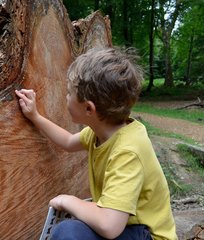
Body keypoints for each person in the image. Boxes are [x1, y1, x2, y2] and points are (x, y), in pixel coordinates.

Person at [15, 47, 177, 240]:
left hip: (147, 235)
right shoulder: (102, 132)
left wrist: (69, 201)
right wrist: (35, 116)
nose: (66, 97)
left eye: (69, 93)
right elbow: (67, 141)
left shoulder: (128, 150)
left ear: (89, 108)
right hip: (127, 227)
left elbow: (109, 225)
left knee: (68, 233)